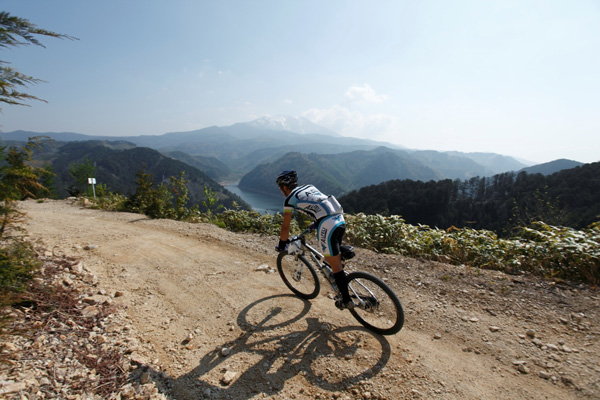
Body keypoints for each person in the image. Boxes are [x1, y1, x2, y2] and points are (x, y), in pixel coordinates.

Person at [275, 170, 353, 309]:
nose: (281, 191)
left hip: (327, 223)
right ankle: (343, 255)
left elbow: (285, 227)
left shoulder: (289, 199)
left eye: (280, 189)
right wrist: (316, 223)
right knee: (333, 253)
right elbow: (320, 204)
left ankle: (347, 300)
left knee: (334, 265)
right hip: (339, 218)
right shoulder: (310, 187)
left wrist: (282, 244)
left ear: (285, 187)